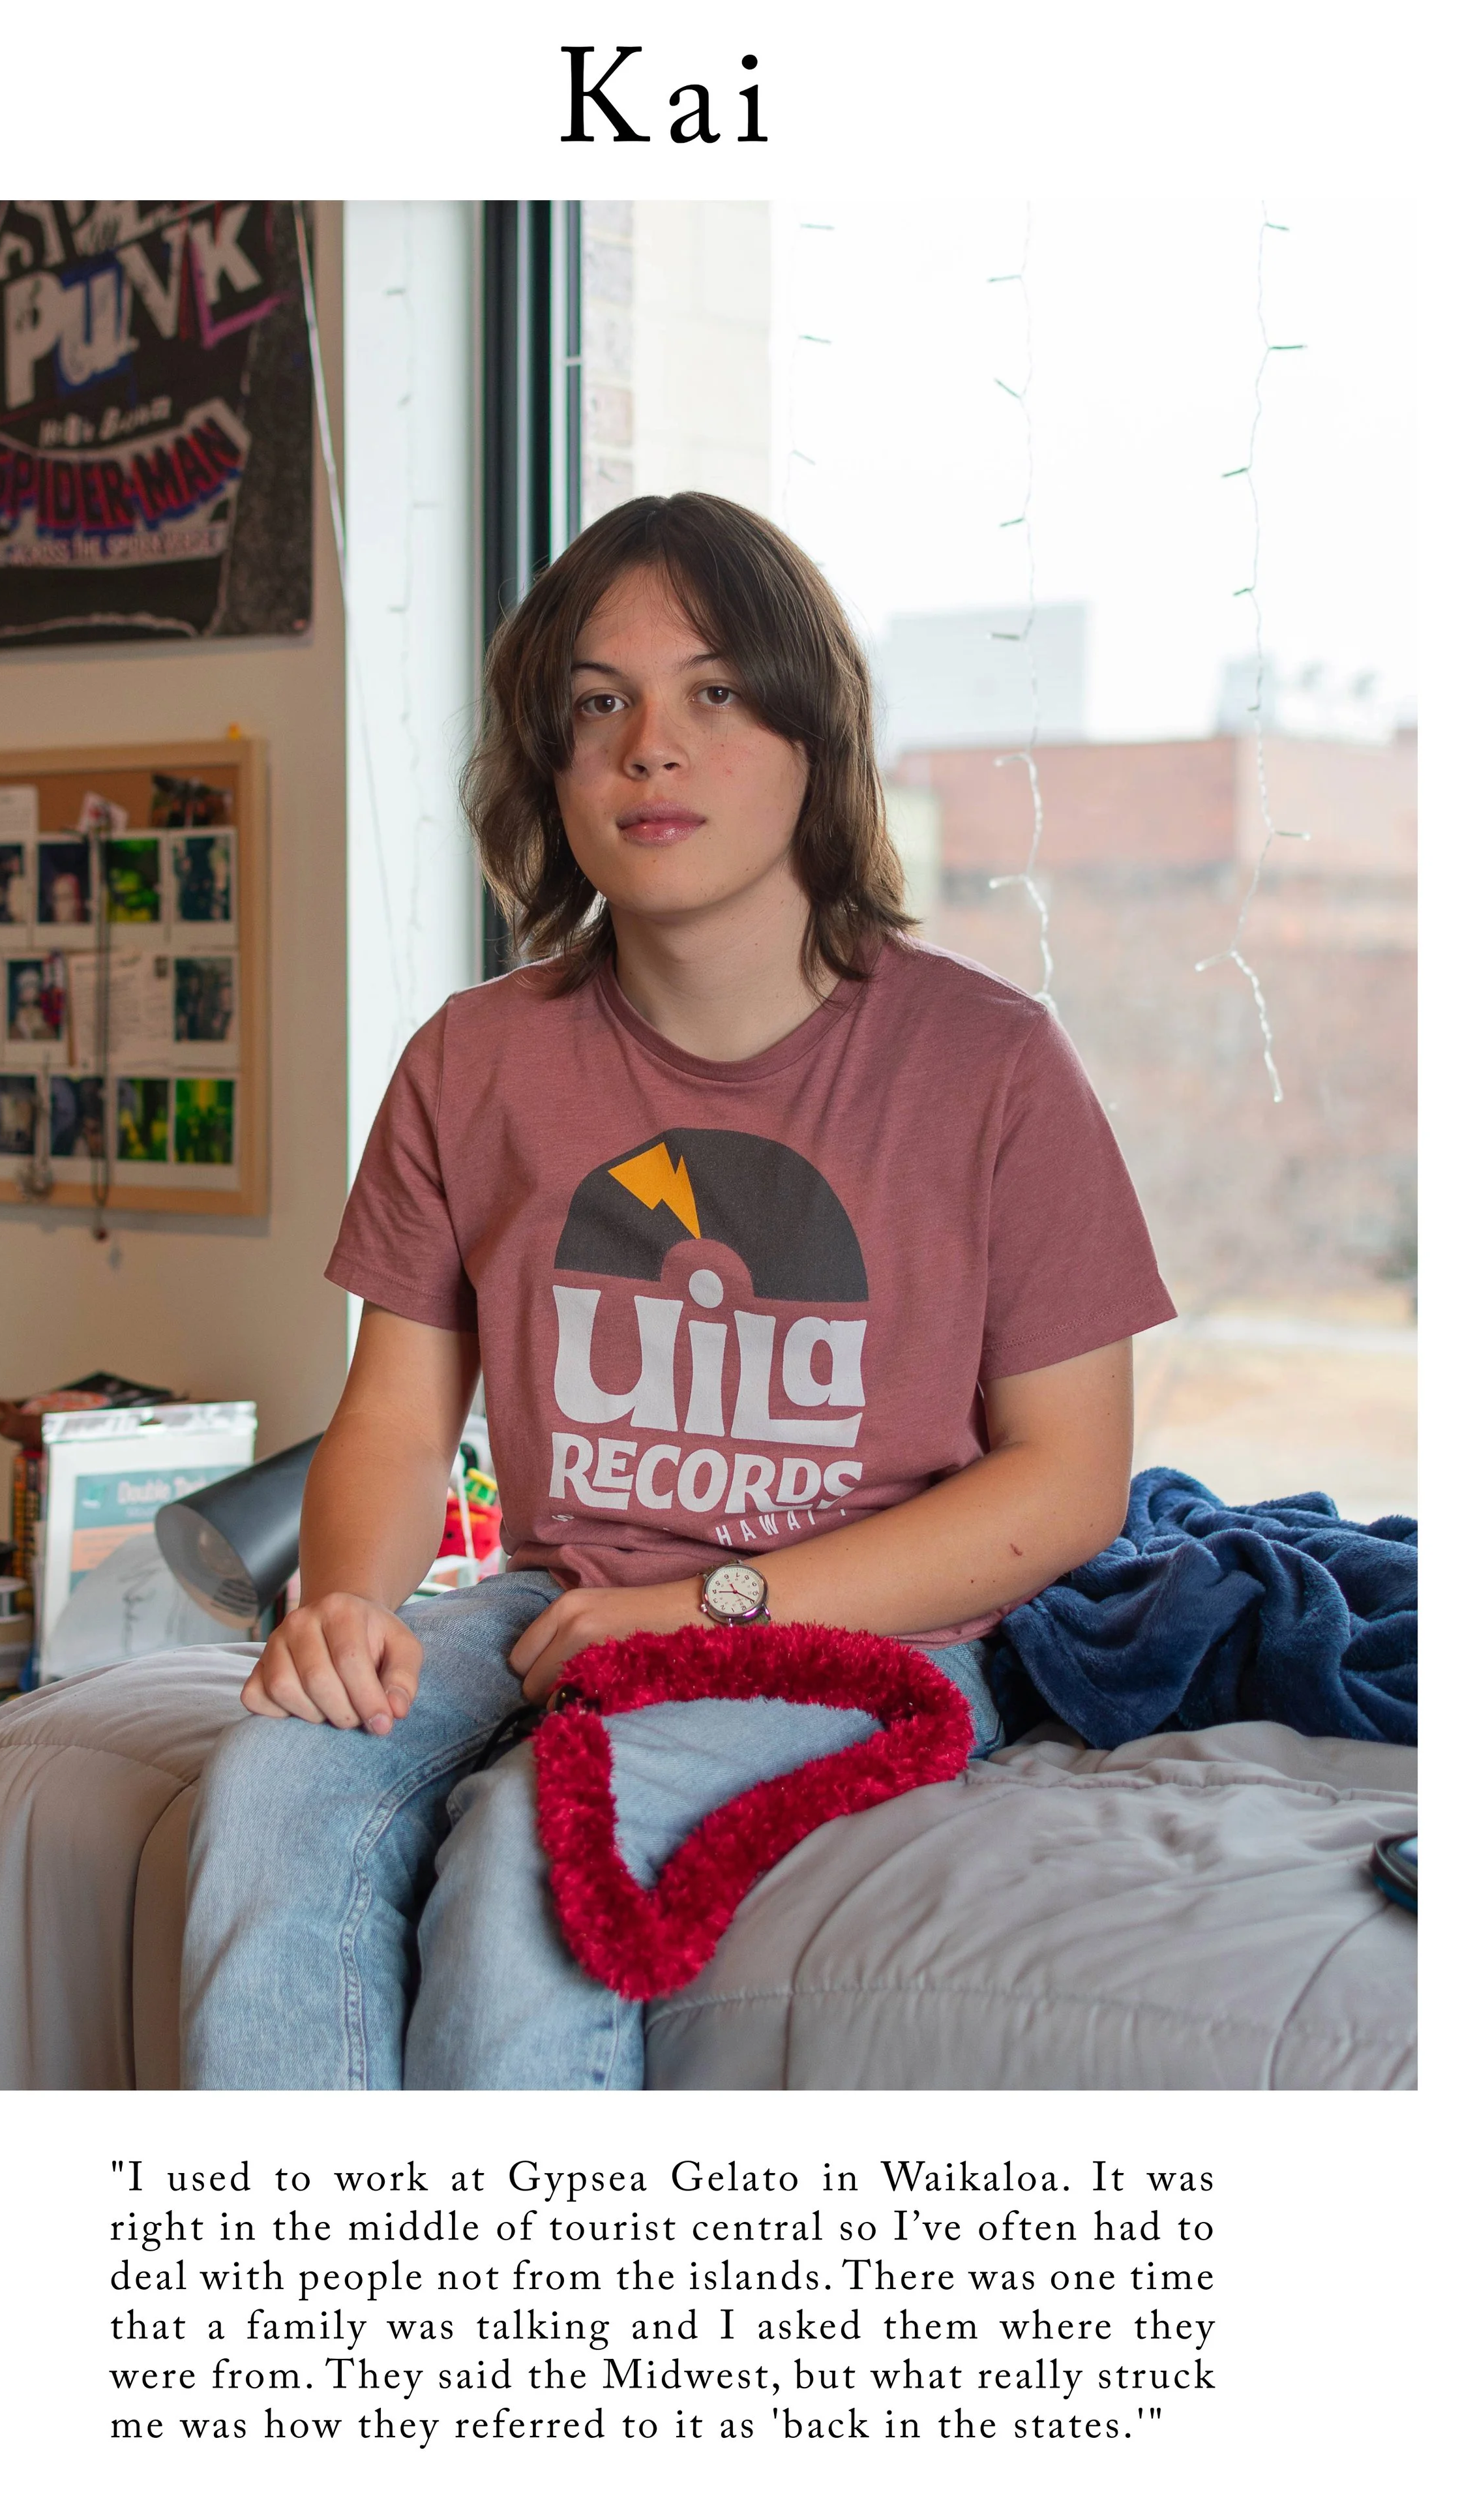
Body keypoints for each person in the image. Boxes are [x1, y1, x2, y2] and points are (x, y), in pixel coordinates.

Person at [180, 493, 1175, 2092]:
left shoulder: (990, 1065)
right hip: (557, 1609)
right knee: (270, 1786)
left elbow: (1067, 1482)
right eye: (599, 704)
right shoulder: (471, 1061)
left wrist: (704, 1610)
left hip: (862, 1632)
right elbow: (396, 1420)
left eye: (713, 692)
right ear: (550, 766)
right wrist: (347, 1610)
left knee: (538, 1848)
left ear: (811, 739)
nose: (652, 747)